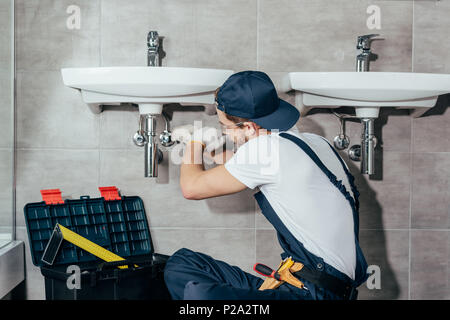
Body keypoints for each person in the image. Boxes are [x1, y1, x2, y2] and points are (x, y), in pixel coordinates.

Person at [163, 70, 368, 300]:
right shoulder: (313, 142)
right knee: (183, 263)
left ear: (249, 127)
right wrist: (210, 148)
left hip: (316, 295)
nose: (225, 133)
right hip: (305, 285)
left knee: (201, 295)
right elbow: (241, 167)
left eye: (224, 126)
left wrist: (195, 141)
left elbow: (191, 188)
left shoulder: (265, 150)